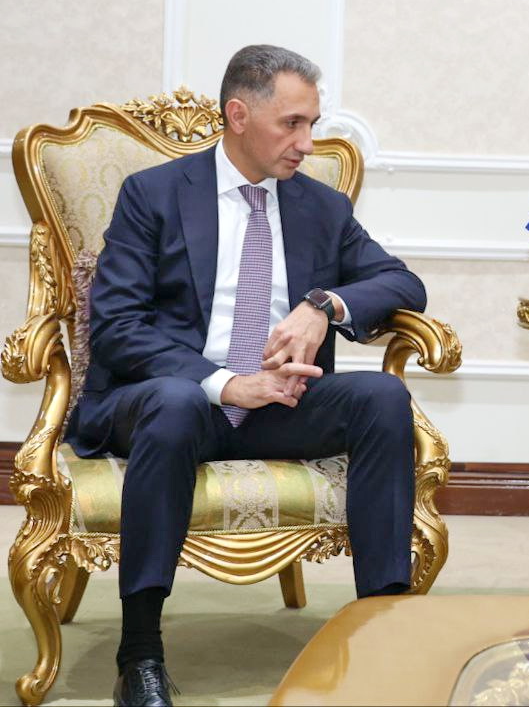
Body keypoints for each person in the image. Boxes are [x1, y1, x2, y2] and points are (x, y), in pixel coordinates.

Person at [67, 45, 427, 706]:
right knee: (177, 403)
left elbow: (403, 283)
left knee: (381, 395)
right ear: (238, 115)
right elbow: (117, 327)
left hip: (279, 405)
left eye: (311, 124)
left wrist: (324, 306)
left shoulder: (319, 206)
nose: (306, 143)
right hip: (169, 404)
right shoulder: (154, 195)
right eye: (292, 124)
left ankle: (382, 632)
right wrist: (225, 384)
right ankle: (140, 655)